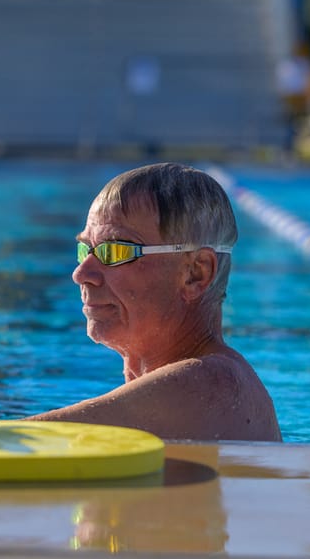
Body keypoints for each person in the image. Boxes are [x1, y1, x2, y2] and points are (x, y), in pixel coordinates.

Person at [27, 163, 281, 442]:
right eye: (84, 249)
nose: (81, 274)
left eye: (115, 250)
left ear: (195, 273)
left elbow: (11, 443)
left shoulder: (213, 383)